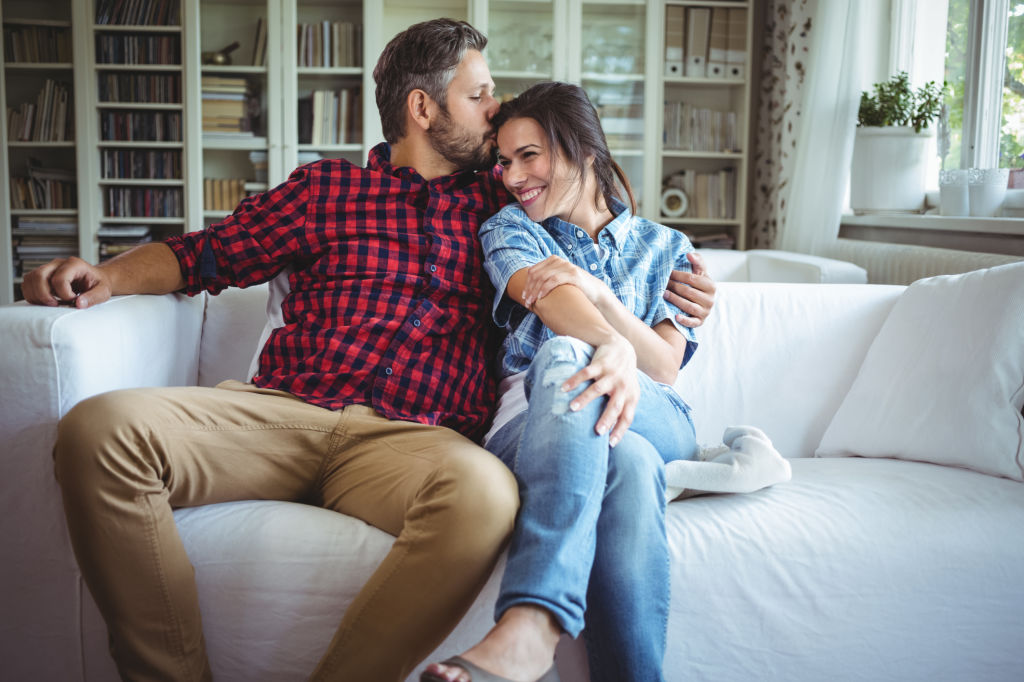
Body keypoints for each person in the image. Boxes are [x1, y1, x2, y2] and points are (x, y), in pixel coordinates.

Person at [23, 21, 716, 682]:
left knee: (483, 494)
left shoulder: (506, 206)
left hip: (416, 440)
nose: (495, 107)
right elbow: (206, 254)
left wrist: (679, 291)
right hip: (281, 411)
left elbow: (593, 218)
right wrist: (106, 275)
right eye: (479, 95)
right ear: (422, 107)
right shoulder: (327, 190)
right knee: (96, 431)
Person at [423, 82, 702, 682]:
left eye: (531, 155)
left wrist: (602, 298)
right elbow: (555, 308)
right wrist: (614, 344)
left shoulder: (667, 248)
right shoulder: (508, 229)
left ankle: (530, 630)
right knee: (624, 460)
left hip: (658, 413)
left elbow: (664, 368)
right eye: (504, 160)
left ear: (585, 150)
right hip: (533, 422)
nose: (513, 175)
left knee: (566, 357)